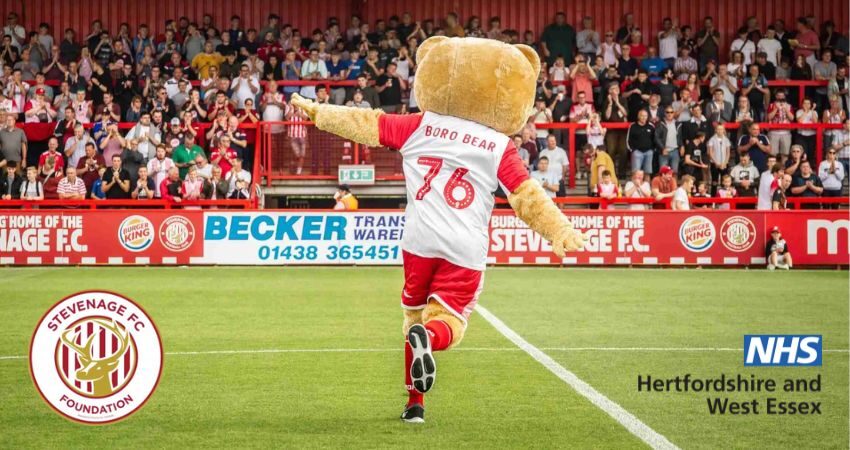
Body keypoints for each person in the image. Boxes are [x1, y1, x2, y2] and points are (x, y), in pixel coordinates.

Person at [627, 109, 655, 174]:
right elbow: (628, 139)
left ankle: (647, 184)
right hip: (637, 152)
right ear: (638, 116)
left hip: (649, 152)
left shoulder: (651, 126)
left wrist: (652, 150)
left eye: (645, 116)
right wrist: (633, 150)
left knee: (648, 173)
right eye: (642, 115)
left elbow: (654, 139)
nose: (644, 117)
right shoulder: (632, 126)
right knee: (636, 173)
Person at [654, 105, 681, 173]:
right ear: (665, 113)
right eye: (667, 112)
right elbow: (656, 137)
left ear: (674, 113)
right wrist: (663, 148)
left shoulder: (677, 124)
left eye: (671, 112)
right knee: (663, 173)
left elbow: (680, 137)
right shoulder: (660, 123)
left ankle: (674, 184)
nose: (669, 114)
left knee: (675, 172)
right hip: (664, 151)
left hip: (675, 151)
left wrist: (682, 145)